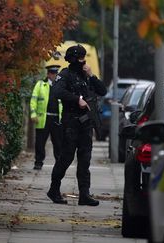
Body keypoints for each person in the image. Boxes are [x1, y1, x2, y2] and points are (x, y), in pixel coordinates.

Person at [47, 44, 107, 206]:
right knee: (66, 158)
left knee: (85, 160)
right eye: (80, 58)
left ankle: (84, 194)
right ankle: (54, 189)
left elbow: (103, 91)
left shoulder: (86, 75)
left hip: (86, 124)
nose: (83, 61)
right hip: (71, 123)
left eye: (84, 58)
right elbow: (56, 92)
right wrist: (76, 99)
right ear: (73, 59)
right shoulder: (65, 75)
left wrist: (92, 75)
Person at [29, 64, 63, 170]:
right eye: (52, 73)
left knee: (58, 143)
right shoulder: (40, 85)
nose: (54, 75)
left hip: (57, 119)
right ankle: (38, 162)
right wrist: (33, 114)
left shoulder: (60, 86)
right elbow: (33, 100)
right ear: (48, 74)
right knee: (40, 142)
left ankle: (59, 163)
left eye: (55, 73)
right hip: (43, 118)